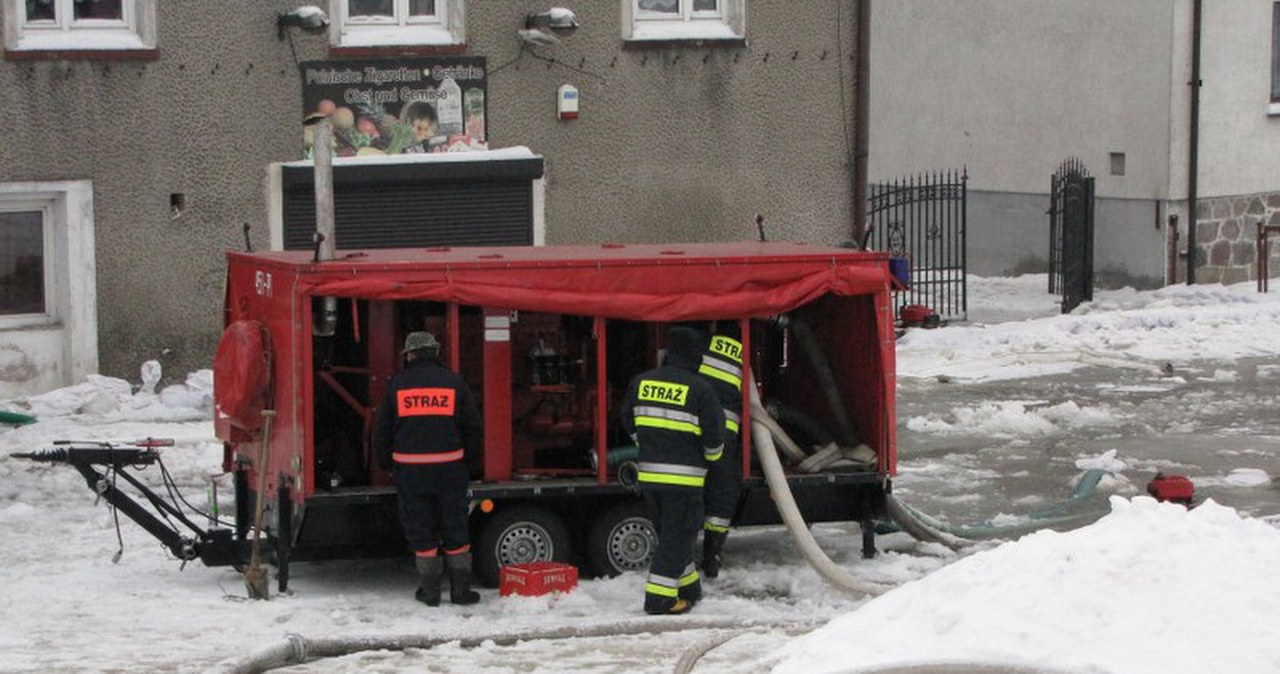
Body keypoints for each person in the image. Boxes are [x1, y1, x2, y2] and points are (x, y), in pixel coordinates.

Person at [621, 326, 725, 615]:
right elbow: (715, 436)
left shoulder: (641, 382)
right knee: (678, 537)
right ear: (696, 356)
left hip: (650, 479)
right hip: (684, 481)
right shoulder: (701, 389)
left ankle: (689, 588)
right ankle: (659, 600)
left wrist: (648, 443)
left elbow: (627, 419)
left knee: (672, 535)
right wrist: (711, 457)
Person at [375, 331, 484, 606]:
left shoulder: (397, 386)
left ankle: (430, 592)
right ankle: (460, 592)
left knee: (421, 532)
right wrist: (471, 465)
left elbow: (381, 432)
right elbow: (472, 428)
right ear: (435, 353)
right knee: (455, 530)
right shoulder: (454, 383)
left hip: (411, 475)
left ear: (410, 355)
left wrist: (386, 464)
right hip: (450, 472)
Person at [696, 325, 745, 579]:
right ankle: (712, 552)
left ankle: (685, 548)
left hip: (692, 429)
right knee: (723, 490)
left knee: (691, 487)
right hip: (725, 433)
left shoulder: (698, 343)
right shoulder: (740, 349)